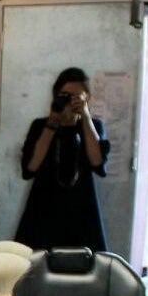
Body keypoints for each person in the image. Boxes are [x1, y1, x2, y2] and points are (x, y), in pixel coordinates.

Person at [14, 67, 111, 252]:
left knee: (81, 273)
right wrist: (53, 123)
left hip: (82, 213)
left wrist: (85, 116)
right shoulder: (41, 126)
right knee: (37, 271)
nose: (70, 101)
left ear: (87, 97)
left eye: (77, 96)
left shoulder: (93, 126)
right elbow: (30, 168)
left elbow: (98, 163)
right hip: (43, 211)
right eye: (65, 95)